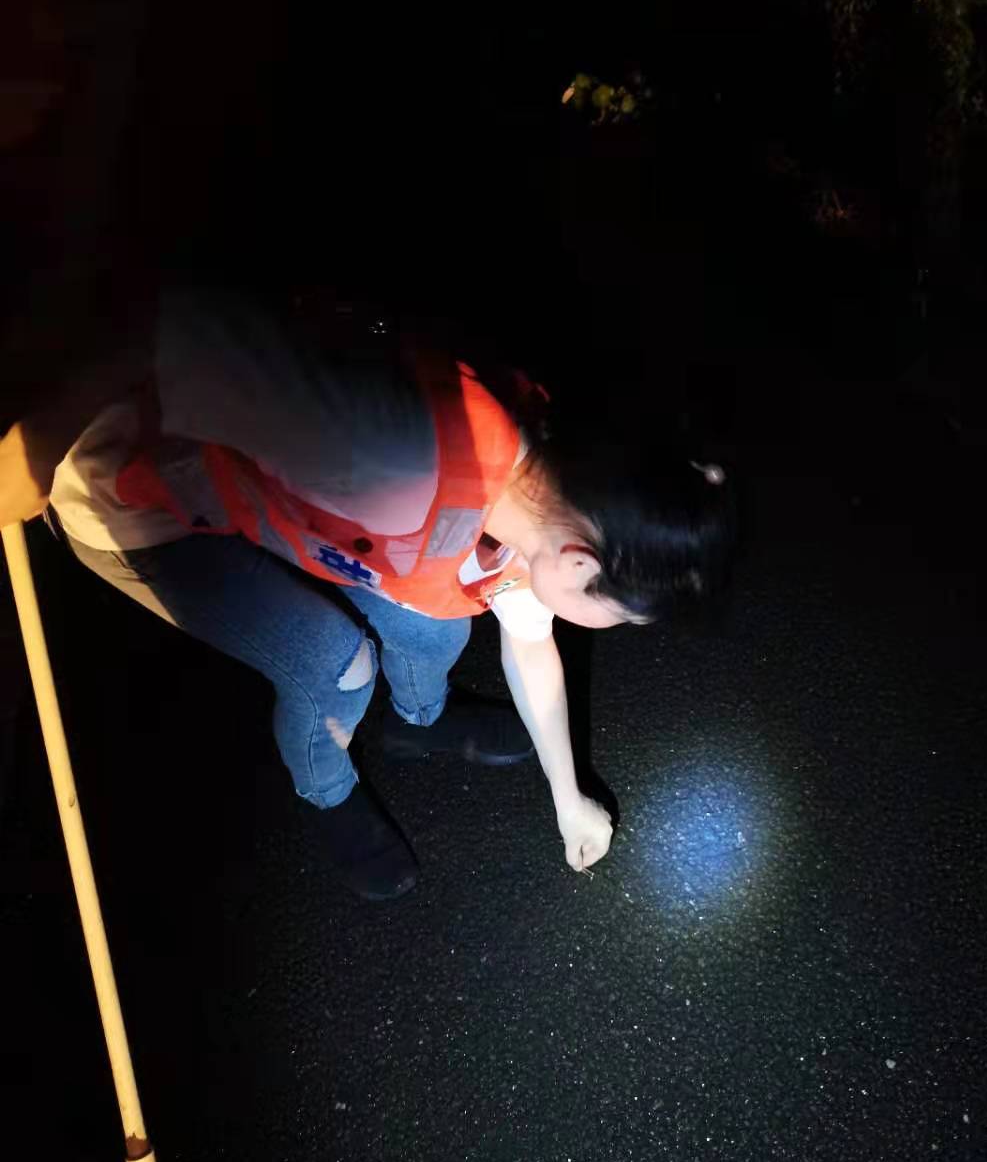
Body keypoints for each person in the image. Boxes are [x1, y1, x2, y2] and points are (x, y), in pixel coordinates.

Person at [0, 288, 734, 901]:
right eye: (620, 616)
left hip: (284, 504)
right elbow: (154, 328)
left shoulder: (550, 503)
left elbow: (531, 640)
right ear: (578, 565)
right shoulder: (379, 445)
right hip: (141, 499)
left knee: (437, 629)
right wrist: (35, 441)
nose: (612, 626)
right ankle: (328, 788)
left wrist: (567, 798)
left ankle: (418, 721)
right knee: (336, 666)